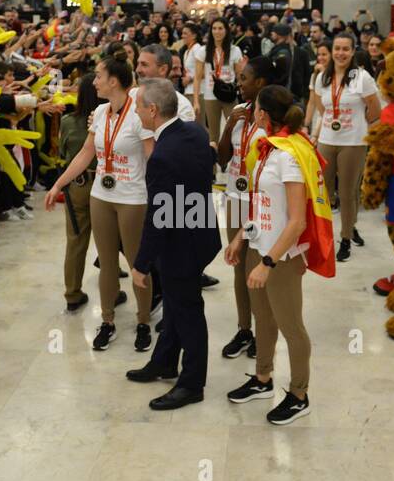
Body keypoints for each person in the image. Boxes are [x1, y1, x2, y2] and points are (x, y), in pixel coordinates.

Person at [44, 57, 153, 351]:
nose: (94, 82)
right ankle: (108, 322)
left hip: (133, 197)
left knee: (137, 264)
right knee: (106, 263)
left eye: (99, 77)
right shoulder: (101, 112)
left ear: (114, 81)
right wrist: (58, 184)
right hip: (101, 196)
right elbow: (85, 153)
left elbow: (153, 158)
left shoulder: (139, 115)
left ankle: (143, 322)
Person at [125, 78, 221, 409]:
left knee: (188, 311)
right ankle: (164, 361)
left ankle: (192, 383)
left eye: (138, 105)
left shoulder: (162, 155)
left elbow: (159, 217)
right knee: (178, 305)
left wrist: (141, 264)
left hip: (180, 244)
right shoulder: (195, 132)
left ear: (152, 111)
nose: (135, 111)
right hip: (201, 232)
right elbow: (209, 165)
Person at [224, 86, 316, 425]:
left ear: (263, 115)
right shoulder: (265, 151)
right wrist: (240, 237)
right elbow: (261, 205)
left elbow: (296, 221)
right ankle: (263, 379)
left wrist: (268, 263)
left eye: (255, 109)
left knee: (292, 327)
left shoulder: (289, 156)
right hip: (259, 246)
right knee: (263, 319)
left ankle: (299, 395)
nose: (252, 113)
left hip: (282, 257)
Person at [217, 56, 277, 360]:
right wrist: (230, 124)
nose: (239, 84)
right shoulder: (239, 113)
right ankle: (244, 329)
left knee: (258, 268)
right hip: (235, 197)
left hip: (262, 204)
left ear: (261, 83)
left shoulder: (275, 120)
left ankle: (263, 331)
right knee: (238, 266)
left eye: (244, 78)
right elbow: (222, 159)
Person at [309, 31, 380, 262]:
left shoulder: (363, 77)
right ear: (331, 52)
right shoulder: (322, 78)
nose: (340, 53)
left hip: (353, 142)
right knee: (324, 191)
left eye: (345, 49)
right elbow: (322, 109)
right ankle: (335, 231)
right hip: (327, 140)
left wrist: (358, 125)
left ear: (353, 51)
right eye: (336, 49)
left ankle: (346, 238)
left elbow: (375, 110)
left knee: (348, 193)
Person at [58, 74, 100, 312]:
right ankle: (111, 291)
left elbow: (63, 151)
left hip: (77, 184)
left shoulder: (67, 122)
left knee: (75, 242)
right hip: (106, 184)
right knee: (109, 243)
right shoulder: (109, 120)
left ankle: (72, 293)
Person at [192, 18, 244, 146]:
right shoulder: (203, 51)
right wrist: (196, 101)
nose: (217, 31)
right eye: (214, 28)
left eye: (220, 28)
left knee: (234, 131)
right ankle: (213, 164)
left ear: (226, 30)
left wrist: (241, 93)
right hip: (210, 96)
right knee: (213, 135)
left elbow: (240, 75)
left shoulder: (234, 50)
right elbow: (197, 78)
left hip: (229, 95)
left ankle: (232, 162)